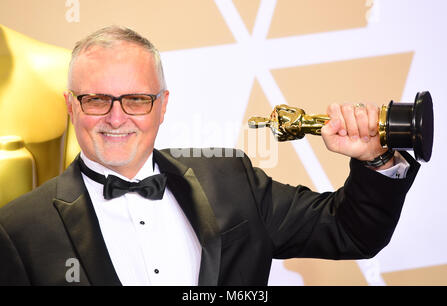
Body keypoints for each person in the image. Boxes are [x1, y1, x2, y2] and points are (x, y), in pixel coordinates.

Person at [0, 26, 419, 286]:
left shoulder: (230, 178)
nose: (116, 117)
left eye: (137, 99)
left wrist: (376, 160)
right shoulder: (18, 229)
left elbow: (351, 232)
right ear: (71, 106)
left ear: (163, 105)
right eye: (96, 100)